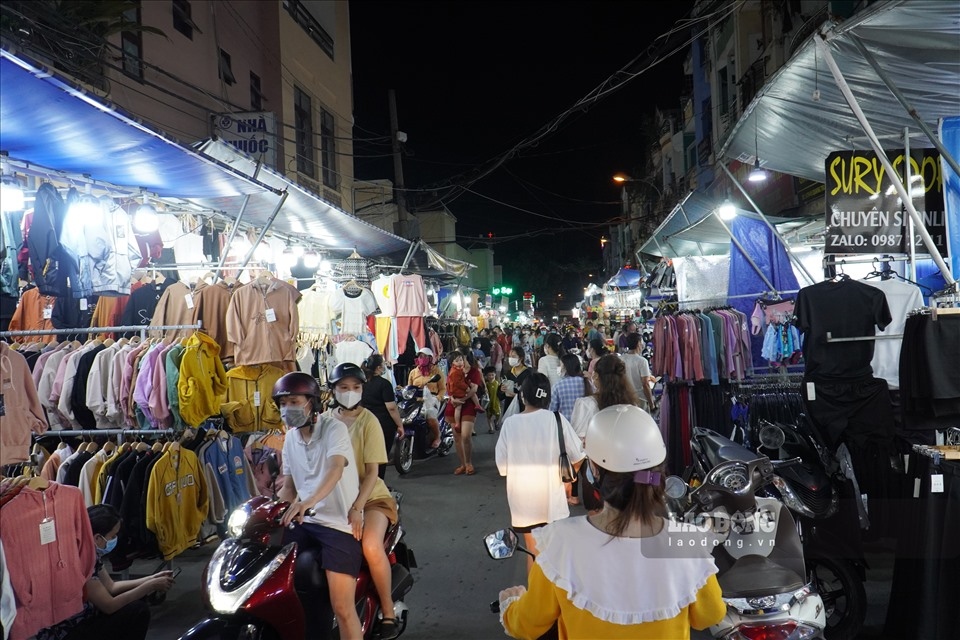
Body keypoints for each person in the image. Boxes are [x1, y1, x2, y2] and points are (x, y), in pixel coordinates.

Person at [498, 405, 725, 639]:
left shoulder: (559, 544)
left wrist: (510, 604)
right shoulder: (687, 543)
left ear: (594, 470)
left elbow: (527, 624)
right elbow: (709, 617)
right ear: (658, 470)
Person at [273, 371, 363, 640]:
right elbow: (288, 487)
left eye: (294, 401)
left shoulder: (333, 429)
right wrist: (272, 512)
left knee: (342, 607)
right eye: (283, 403)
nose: (288, 408)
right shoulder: (290, 438)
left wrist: (308, 501)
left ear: (312, 402)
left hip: (338, 524)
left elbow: (335, 469)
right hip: (304, 522)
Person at [324, 363, 403, 640]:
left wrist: (358, 506)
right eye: (343, 387)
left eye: (355, 387)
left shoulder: (369, 421)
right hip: (332, 499)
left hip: (370, 498)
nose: (350, 392)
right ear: (333, 390)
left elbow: (373, 473)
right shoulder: (324, 420)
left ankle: (388, 610)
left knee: (370, 545)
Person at [37, 504, 173, 640]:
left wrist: (151, 578)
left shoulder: (88, 552)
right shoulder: (78, 560)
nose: (114, 539)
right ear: (97, 538)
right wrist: (150, 586)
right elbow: (109, 605)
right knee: (137, 610)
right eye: (113, 535)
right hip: (68, 631)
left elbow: (111, 586)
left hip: (83, 616)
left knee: (137, 598)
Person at [495, 372, 585, 571]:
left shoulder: (510, 424)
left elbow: (502, 467)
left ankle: (535, 599)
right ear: (547, 397)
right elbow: (579, 456)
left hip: (523, 503)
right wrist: (568, 481)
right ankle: (556, 599)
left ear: (522, 396)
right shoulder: (557, 419)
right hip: (553, 500)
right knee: (556, 554)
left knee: (533, 552)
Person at [549, 353, 591, 507]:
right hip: (586, 431)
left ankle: (573, 496)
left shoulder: (558, 386)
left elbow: (552, 410)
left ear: (565, 367)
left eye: (560, 364)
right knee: (585, 465)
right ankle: (591, 498)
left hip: (567, 432)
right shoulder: (586, 383)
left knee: (570, 463)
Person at [361, 354, 405, 480]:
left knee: (366, 455)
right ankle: (378, 484)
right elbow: (391, 408)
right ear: (379, 367)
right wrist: (399, 425)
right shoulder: (384, 384)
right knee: (380, 455)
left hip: (365, 421)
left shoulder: (362, 383)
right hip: (383, 423)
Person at [407, 347, 445, 449]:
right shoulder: (413, 372)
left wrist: (437, 398)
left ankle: (438, 437)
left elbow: (442, 389)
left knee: (430, 414)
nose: (422, 358)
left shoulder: (436, 371)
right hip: (418, 400)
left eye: (424, 356)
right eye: (420, 356)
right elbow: (409, 387)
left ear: (430, 358)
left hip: (432, 399)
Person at [621, 333, 656, 411]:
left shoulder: (621, 359)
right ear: (638, 343)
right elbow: (645, 384)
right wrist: (651, 404)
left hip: (625, 398)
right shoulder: (642, 361)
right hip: (640, 399)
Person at [501, 346, 531, 417]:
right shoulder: (509, 373)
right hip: (509, 405)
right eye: (509, 356)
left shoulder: (528, 373)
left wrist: (517, 396)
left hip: (523, 407)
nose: (510, 359)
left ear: (521, 358)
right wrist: (501, 390)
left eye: (513, 356)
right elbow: (501, 395)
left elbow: (530, 392)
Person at [483, 365, 501, 433]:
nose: (490, 377)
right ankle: (491, 428)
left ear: (495, 374)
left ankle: (496, 421)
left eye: (492, 375)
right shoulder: (486, 384)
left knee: (498, 415)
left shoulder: (497, 383)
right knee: (489, 416)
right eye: (489, 375)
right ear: (486, 376)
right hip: (488, 403)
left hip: (496, 402)